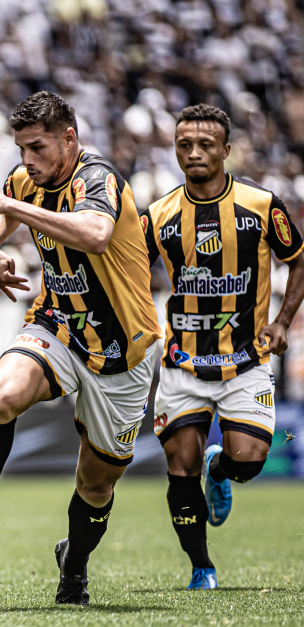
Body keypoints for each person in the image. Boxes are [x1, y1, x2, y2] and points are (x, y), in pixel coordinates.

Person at [0, 91, 162, 607]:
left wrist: (6, 207)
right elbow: (7, 204)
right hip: (59, 323)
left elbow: (95, 235)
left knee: (96, 485)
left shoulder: (99, 179)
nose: (27, 159)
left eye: (38, 147)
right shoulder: (26, 177)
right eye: (22, 148)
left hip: (122, 350)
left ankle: (74, 567)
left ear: (69, 138)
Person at [143, 104, 304, 590]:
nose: (193, 153)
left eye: (205, 145)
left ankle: (223, 466)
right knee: (179, 466)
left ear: (227, 151)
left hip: (246, 360)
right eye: (184, 145)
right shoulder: (158, 214)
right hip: (183, 364)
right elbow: (126, 275)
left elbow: (298, 260)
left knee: (250, 462)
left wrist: (282, 322)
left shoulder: (262, 205)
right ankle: (201, 566)